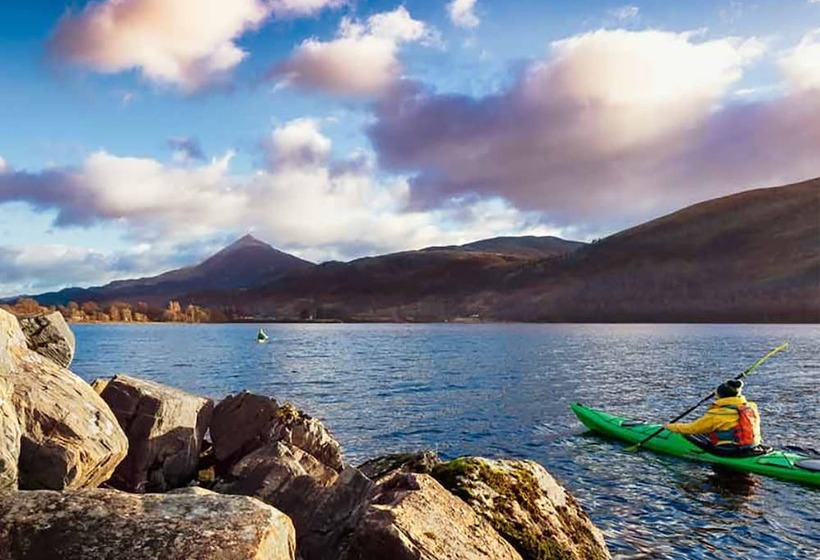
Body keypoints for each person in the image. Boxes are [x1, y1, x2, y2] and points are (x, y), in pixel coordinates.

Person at [664, 379, 763, 456]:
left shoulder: (719, 413)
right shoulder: (751, 407)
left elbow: (692, 429)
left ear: (721, 396)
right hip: (752, 444)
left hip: (730, 449)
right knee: (711, 431)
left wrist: (670, 427)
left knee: (688, 434)